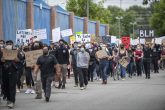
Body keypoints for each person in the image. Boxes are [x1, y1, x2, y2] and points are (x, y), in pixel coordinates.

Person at [1, 40, 23, 108]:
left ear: (12, 44)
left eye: (10, 44)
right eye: (7, 44)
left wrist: (18, 60)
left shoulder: (16, 52)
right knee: (5, 86)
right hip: (4, 71)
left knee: (12, 86)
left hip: (13, 71)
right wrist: (1, 60)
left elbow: (22, 61)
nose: (9, 45)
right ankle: (8, 98)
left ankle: (12, 101)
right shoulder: (2, 52)